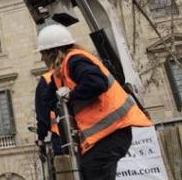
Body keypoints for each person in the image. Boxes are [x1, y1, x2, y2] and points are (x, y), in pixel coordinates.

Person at [36, 24, 151, 180]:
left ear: (52, 51)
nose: (41, 58)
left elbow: (96, 83)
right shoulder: (60, 71)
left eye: (42, 53)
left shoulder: (75, 61)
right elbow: (47, 102)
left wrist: (70, 96)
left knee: (94, 171)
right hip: (104, 136)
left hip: (111, 132)